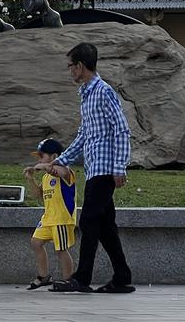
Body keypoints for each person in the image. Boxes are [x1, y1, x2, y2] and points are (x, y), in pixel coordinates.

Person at [45, 42, 135, 293]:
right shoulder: (86, 95)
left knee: (88, 220)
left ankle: (81, 278)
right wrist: (61, 160)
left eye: (70, 66)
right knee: (106, 227)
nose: (70, 71)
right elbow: (84, 136)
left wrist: (119, 167)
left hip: (105, 170)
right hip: (94, 169)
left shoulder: (104, 92)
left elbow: (121, 129)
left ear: (80, 66)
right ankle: (122, 277)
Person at [23, 138, 77, 290]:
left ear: (54, 156)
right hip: (48, 218)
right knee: (36, 242)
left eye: (42, 156)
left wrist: (43, 166)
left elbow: (59, 171)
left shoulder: (66, 171)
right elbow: (38, 195)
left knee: (61, 249)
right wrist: (31, 179)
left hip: (61, 218)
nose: (39, 160)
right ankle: (44, 275)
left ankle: (69, 280)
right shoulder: (46, 177)